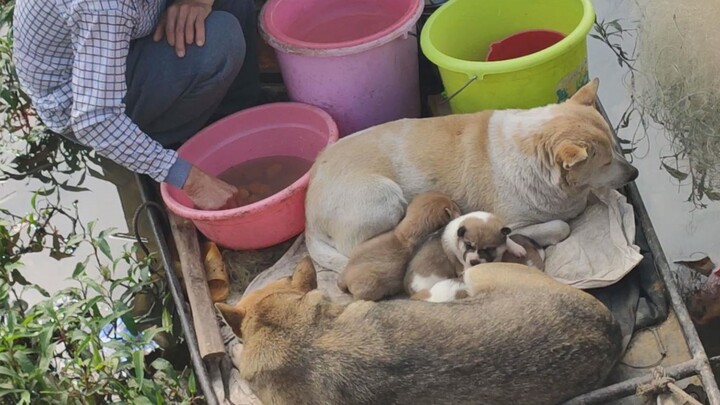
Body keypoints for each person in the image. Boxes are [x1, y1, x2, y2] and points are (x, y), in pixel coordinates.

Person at [13, 0, 262, 210]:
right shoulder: (104, 7)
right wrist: (190, 180)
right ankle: (162, 142)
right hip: (81, 98)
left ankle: (243, 115)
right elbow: (95, 121)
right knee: (221, 39)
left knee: (234, 4)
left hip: (123, 33)